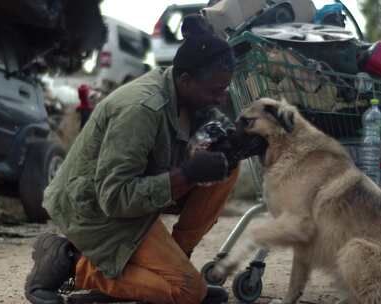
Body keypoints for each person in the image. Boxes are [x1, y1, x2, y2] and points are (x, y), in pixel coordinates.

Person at [25, 33, 240, 304]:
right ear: (186, 80)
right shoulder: (141, 110)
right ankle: (72, 263)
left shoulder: (191, 96)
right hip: (94, 209)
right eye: (214, 91)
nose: (221, 99)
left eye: (224, 90)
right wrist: (188, 175)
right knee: (188, 292)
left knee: (227, 165)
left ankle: (174, 263)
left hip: (136, 200)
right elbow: (113, 198)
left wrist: (239, 142)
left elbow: (216, 123)